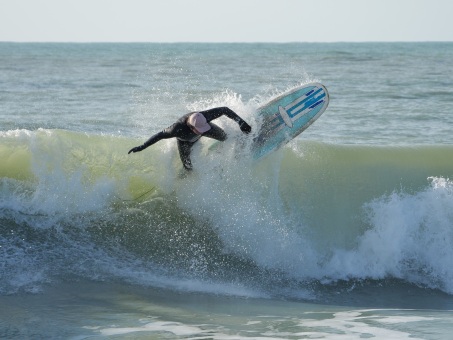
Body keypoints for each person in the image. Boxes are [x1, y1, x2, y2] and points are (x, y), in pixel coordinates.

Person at [128, 107, 252, 170]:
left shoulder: (203, 117)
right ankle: (187, 174)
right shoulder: (176, 129)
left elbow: (225, 109)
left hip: (208, 128)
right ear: (191, 127)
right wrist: (142, 146)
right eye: (199, 129)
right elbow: (159, 135)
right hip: (185, 141)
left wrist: (241, 122)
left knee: (225, 137)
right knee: (188, 166)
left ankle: (241, 140)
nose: (201, 131)